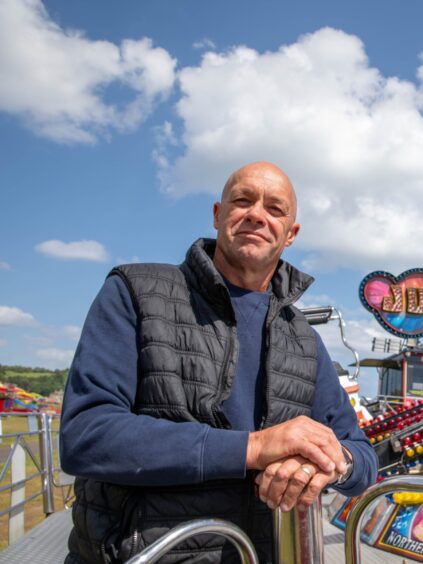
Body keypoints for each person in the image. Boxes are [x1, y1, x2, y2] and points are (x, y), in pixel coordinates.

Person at [60, 162, 378, 563]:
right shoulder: (135, 292)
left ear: (291, 234)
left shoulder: (305, 339)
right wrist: (253, 448)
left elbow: (362, 457)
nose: (257, 215)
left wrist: (331, 464)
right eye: (242, 200)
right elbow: (87, 434)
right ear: (217, 214)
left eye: (275, 209)